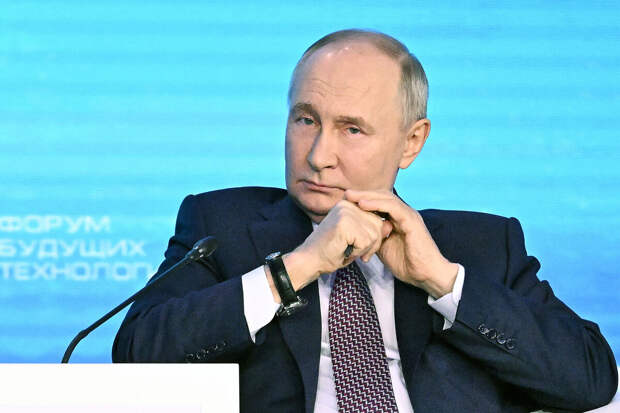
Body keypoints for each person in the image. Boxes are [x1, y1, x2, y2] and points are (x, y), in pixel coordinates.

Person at [113, 29, 617, 412]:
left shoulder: (483, 244)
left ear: (411, 142)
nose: (318, 156)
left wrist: (442, 281)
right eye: (306, 119)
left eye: (351, 129)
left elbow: (591, 380)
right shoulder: (220, 225)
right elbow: (135, 358)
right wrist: (293, 269)